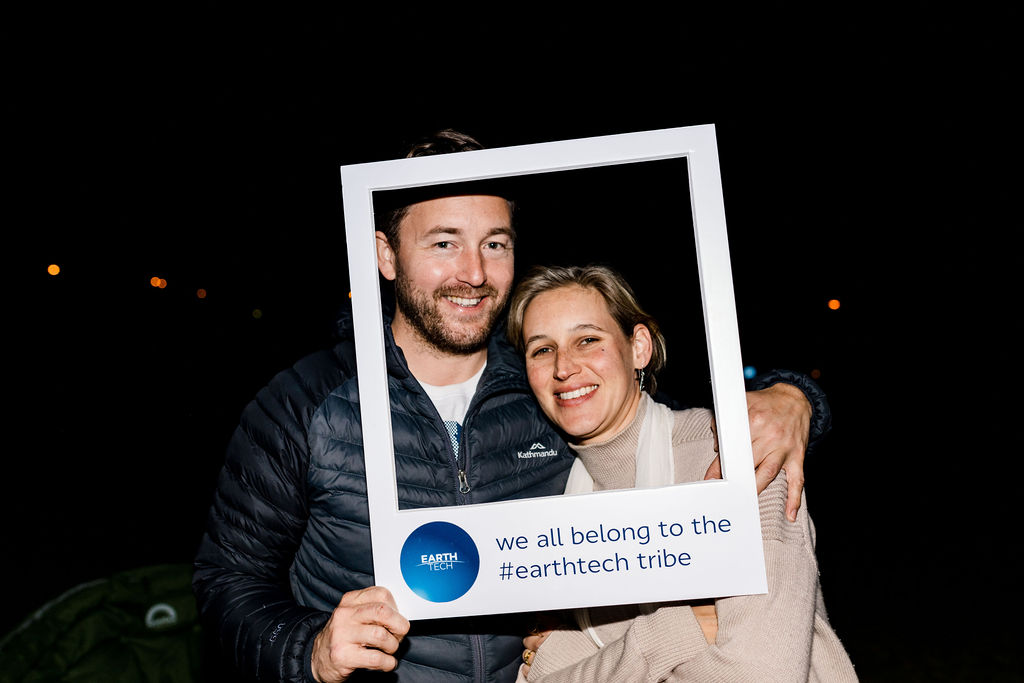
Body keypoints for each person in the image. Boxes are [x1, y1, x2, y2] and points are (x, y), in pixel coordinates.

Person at [193, 130, 832, 683]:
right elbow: (226, 585)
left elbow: (650, 423)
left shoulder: (544, 390)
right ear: (385, 255)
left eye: (494, 244)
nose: (474, 272)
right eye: (444, 243)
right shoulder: (305, 403)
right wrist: (311, 650)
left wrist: (793, 397)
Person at [506, 264, 856, 682]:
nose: (564, 367)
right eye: (542, 349)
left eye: (588, 340)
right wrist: (683, 628)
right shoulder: (551, 493)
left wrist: (576, 656)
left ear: (639, 347)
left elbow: (760, 673)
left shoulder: (736, 455)